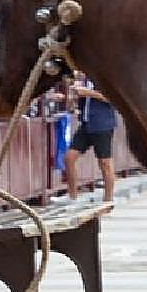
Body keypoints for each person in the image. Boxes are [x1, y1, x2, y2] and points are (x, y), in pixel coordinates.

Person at [64, 72, 118, 203]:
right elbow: (71, 108)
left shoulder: (104, 78)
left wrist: (88, 93)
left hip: (102, 124)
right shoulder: (83, 80)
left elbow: (111, 99)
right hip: (86, 124)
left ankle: (108, 199)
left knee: (105, 162)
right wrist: (72, 96)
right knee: (69, 158)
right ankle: (72, 197)